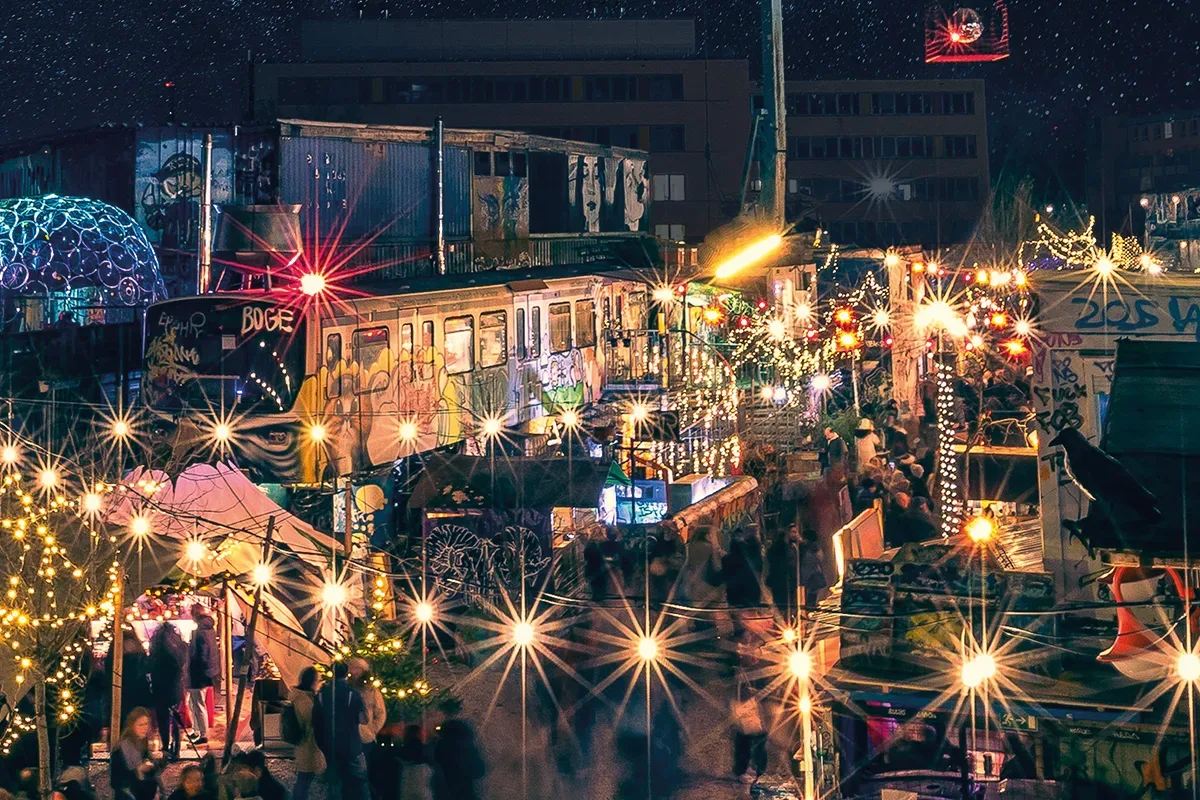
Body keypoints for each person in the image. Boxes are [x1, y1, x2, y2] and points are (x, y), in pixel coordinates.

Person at [315, 660, 368, 800]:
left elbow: (316, 722)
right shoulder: (353, 694)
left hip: (330, 745)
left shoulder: (321, 695)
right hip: (351, 746)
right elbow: (364, 719)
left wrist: (322, 744)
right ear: (347, 674)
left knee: (334, 785)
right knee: (359, 783)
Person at [347, 658, 387, 800]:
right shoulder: (346, 688)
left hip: (365, 737)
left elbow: (380, 713)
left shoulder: (371, 690)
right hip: (349, 736)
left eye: (353, 668)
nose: (351, 671)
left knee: (365, 771)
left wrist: (372, 730)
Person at [148, 623, 188, 759]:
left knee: (163, 718)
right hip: (175, 686)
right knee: (176, 717)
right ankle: (175, 746)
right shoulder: (179, 647)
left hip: (160, 687)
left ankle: (166, 745)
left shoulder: (157, 649)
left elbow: (150, 666)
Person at [432, 705, 485, 800]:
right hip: (464, 790)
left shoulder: (440, 745)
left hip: (443, 790)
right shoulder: (466, 746)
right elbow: (479, 770)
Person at [720, 526, 763, 642]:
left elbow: (722, 576)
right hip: (751, 596)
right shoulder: (752, 557)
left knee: (739, 627)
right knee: (750, 627)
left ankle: (742, 650)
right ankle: (750, 649)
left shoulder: (727, 559)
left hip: (735, 598)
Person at [290, 667, 325, 800]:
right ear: (312, 681)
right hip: (307, 744)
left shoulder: (304, 697)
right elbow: (310, 720)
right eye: (318, 680)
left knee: (305, 778)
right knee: (304, 778)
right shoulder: (303, 700)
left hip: (307, 744)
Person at [110, 708, 159, 800]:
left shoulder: (143, 742)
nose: (145, 728)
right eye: (141, 725)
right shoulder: (121, 748)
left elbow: (151, 770)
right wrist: (137, 770)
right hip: (127, 793)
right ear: (132, 726)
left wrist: (151, 765)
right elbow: (116, 781)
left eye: (146, 724)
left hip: (144, 790)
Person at [186, 609, 220, 744]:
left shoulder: (200, 633)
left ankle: (202, 733)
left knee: (197, 703)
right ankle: (197, 730)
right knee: (194, 702)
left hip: (198, 673)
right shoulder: (209, 630)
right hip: (205, 672)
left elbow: (200, 654)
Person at [730, 668, 767, 787]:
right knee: (745, 747)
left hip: (753, 725)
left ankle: (757, 770)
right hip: (746, 726)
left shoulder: (749, 693)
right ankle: (744, 771)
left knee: (757, 747)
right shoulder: (738, 697)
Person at [766, 525, 800, 620]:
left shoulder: (789, 547)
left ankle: (783, 622)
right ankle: (785, 622)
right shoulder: (784, 549)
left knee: (782, 605)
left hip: (783, 581)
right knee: (785, 604)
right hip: (784, 581)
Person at [222, 750, 286, 800]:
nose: (241, 772)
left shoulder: (273, 791)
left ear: (257, 770)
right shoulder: (248, 785)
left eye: (245, 769)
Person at [397, 726, 434, 800]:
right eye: (423, 732)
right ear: (418, 734)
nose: (425, 734)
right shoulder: (426, 751)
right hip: (423, 784)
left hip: (406, 785)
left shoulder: (400, 752)